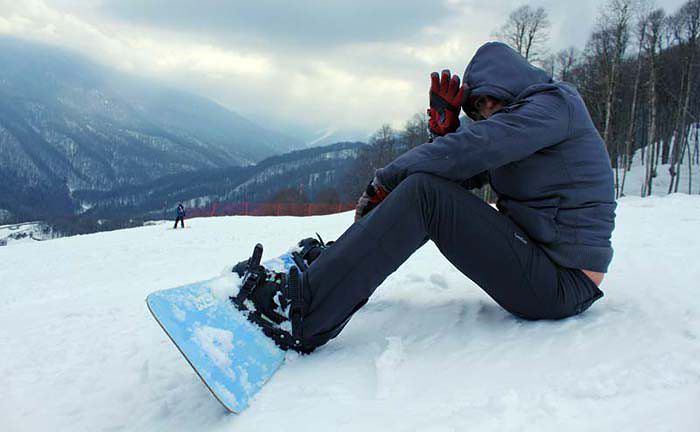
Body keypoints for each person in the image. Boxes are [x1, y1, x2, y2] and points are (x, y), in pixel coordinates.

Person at [233, 42, 616, 353]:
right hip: (539, 263)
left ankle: (304, 314)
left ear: (511, 83)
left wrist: (385, 180)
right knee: (426, 191)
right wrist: (444, 136)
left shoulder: (554, 105)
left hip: (563, 281)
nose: (485, 111)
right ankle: (332, 267)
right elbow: (460, 171)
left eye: (491, 100)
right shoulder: (518, 130)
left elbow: (473, 150)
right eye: (478, 105)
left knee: (423, 196)